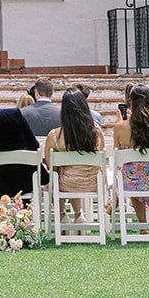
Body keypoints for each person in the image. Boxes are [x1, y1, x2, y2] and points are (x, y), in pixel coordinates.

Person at [43, 89, 105, 222]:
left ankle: (61, 214)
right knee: (70, 173)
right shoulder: (97, 132)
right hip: (94, 183)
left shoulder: (54, 136)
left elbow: (50, 165)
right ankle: (78, 214)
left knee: (57, 175)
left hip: (67, 184)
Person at [114, 83, 149, 224]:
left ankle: (144, 225)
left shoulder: (120, 127)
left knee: (131, 174)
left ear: (131, 102)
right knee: (137, 175)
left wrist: (120, 121)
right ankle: (144, 225)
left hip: (129, 182)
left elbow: (117, 153)